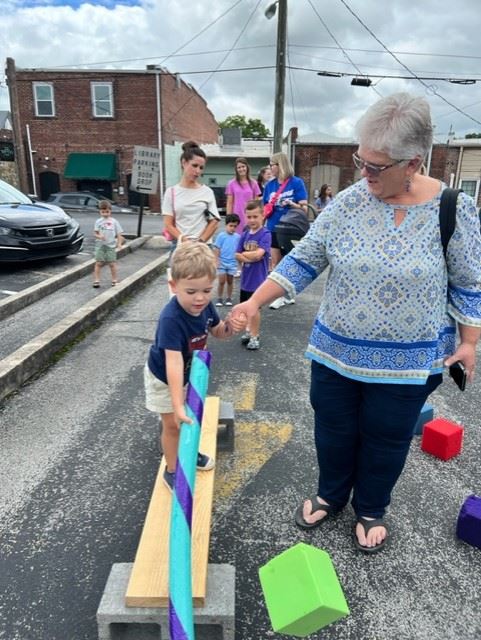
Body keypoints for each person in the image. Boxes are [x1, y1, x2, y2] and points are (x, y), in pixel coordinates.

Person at [232, 92, 481, 553]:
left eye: (376, 166)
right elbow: (304, 260)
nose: (363, 173)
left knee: (387, 439)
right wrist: (256, 304)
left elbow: (469, 283)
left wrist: (469, 343)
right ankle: (330, 493)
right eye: (360, 160)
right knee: (333, 428)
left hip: (409, 363)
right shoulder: (347, 203)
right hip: (336, 354)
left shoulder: (453, 209)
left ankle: (371, 507)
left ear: (413, 162)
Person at [144, 242, 245, 492]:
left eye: (206, 290)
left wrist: (231, 327)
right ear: (173, 286)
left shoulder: (204, 305)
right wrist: (177, 404)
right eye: (191, 291)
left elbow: (217, 331)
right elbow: (173, 362)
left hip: (187, 372)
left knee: (190, 420)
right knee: (172, 423)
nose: (200, 298)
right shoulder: (171, 319)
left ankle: (189, 453)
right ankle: (171, 470)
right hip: (164, 376)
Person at [263, 151, 308, 309]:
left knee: (290, 261)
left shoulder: (296, 182)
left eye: (272, 164)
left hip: (290, 228)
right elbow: (265, 207)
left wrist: (291, 203)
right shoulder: (270, 185)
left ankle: (289, 293)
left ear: (280, 165)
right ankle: (280, 295)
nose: (270, 168)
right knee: (276, 261)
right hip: (273, 227)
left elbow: (304, 207)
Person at [162, 141, 220, 245]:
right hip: (181, 247)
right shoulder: (171, 192)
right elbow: (168, 224)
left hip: (203, 246)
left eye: (201, 167)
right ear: (184, 163)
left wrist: (200, 241)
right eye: (194, 165)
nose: (198, 171)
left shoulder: (207, 192)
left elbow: (214, 221)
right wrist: (184, 240)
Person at [235, 200, 271, 351]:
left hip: (258, 280)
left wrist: (245, 254)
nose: (252, 220)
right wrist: (247, 256)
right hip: (245, 280)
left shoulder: (266, 234)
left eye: (255, 216)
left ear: (263, 215)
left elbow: (259, 254)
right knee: (246, 308)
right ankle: (248, 331)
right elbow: (237, 254)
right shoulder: (244, 235)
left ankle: (255, 336)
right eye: (249, 217)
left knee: (255, 309)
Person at [92, 199, 124, 288]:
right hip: (100, 245)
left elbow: (119, 233)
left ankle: (114, 279)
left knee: (112, 263)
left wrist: (119, 243)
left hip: (111, 245)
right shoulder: (98, 221)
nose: (105, 214)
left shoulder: (114, 221)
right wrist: (99, 236)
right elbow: (95, 233)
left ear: (110, 211)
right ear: (100, 212)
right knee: (98, 263)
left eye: (107, 211)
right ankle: (96, 280)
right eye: (103, 212)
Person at [225, 157, 261, 230]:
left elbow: (257, 203)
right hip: (236, 217)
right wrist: (228, 219)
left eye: (243, 166)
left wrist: (257, 218)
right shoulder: (231, 183)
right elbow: (229, 202)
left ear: (247, 167)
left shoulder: (254, 183)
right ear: (236, 169)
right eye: (239, 167)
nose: (241, 169)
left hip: (250, 217)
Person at [213, 213, 241, 307]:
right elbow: (217, 249)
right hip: (222, 262)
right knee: (221, 281)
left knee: (230, 281)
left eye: (235, 226)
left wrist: (239, 264)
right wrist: (216, 260)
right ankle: (219, 298)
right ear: (226, 225)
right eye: (230, 226)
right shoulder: (221, 236)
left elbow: (239, 251)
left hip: (232, 263)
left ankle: (229, 297)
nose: (232, 228)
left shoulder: (238, 237)